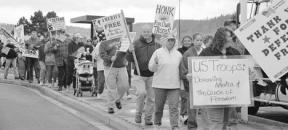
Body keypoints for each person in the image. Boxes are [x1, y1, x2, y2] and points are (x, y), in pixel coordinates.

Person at [198, 27, 240, 129]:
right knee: (216, 123)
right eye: (229, 36)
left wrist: (249, 74)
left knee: (232, 122)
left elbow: (241, 72)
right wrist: (192, 76)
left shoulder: (235, 53)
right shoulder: (207, 53)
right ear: (222, 38)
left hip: (232, 95)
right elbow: (198, 73)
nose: (231, 39)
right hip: (213, 95)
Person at [126, 24, 161, 125]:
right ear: (142, 32)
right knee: (141, 93)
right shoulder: (136, 43)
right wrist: (129, 51)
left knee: (151, 98)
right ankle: (138, 114)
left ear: (151, 32)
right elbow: (129, 59)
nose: (146, 33)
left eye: (148, 31)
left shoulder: (157, 45)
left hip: (152, 75)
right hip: (139, 74)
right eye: (144, 31)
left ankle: (148, 118)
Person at [149, 34, 182, 130]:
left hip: (174, 85)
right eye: (169, 40)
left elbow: (181, 69)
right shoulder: (157, 52)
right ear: (165, 41)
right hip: (159, 85)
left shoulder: (178, 54)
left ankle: (174, 125)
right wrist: (155, 62)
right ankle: (157, 123)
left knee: (174, 107)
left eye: (172, 40)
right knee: (159, 107)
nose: (170, 42)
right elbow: (151, 68)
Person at [179, 33, 205, 129]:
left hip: (205, 83)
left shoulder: (206, 52)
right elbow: (183, 69)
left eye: (200, 40)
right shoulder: (188, 53)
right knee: (192, 106)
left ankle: (206, 124)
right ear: (193, 41)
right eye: (197, 40)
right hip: (192, 84)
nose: (199, 42)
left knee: (204, 106)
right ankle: (192, 125)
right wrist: (186, 75)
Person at [100, 38, 129, 114]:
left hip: (121, 66)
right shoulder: (104, 43)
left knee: (125, 85)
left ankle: (118, 99)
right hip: (109, 67)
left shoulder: (122, 40)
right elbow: (102, 54)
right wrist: (109, 58)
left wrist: (127, 57)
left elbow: (127, 52)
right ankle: (110, 106)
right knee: (111, 87)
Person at [177, 35, 193, 123]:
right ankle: (183, 115)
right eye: (185, 41)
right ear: (182, 42)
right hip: (183, 76)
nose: (187, 42)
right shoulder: (179, 51)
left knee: (191, 97)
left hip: (192, 77)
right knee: (184, 97)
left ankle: (191, 116)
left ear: (191, 41)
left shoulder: (194, 50)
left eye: (189, 40)